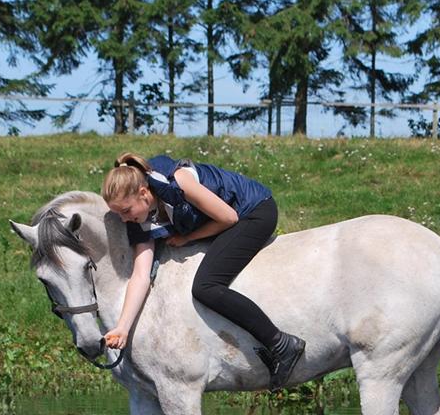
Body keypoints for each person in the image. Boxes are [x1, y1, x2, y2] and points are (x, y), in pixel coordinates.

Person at [100, 153, 305, 390]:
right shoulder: (140, 218)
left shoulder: (179, 181)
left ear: (144, 194)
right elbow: (140, 275)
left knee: (206, 286)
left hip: (254, 212)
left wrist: (188, 237)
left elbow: (228, 217)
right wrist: (123, 327)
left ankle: (282, 345)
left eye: (126, 211)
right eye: (119, 214)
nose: (124, 220)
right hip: (227, 220)